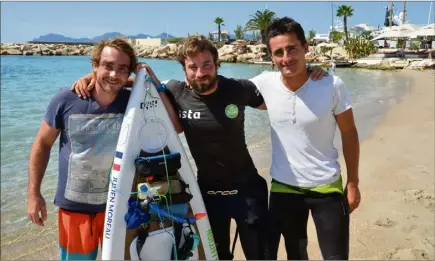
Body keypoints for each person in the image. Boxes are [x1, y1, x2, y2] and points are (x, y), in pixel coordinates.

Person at [71, 35, 326, 260]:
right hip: (207, 195)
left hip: (249, 192)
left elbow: (284, 95)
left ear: (217, 64)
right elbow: (130, 82)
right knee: (217, 257)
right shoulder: (176, 91)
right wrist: (91, 77)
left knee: (261, 256)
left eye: (207, 65)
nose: (201, 72)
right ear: (184, 69)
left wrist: (311, 73)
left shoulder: (239, 89)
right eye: (193, 67)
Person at [27, 38, 180, 260]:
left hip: (121, 207)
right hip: (75, 208)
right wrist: (33, 194)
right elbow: (42, 144)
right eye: (107, 66)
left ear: (129, 72)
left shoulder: (133, 102)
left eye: (121, 69)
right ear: (95, 65)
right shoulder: (66, 99)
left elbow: (173, 127)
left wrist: (146, 78)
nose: (113, 74)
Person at [249, 17, 361, 260]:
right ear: (271, 57)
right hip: (284, 188)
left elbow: (349, 133)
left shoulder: (332, 85)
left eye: (292, 48)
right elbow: (222, 90)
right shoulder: (264, 83)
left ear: (305, 47)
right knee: (295, 255)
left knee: (336, 257)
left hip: (327, 187)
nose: (286, 58)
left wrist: (352, 182)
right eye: (278, 52)